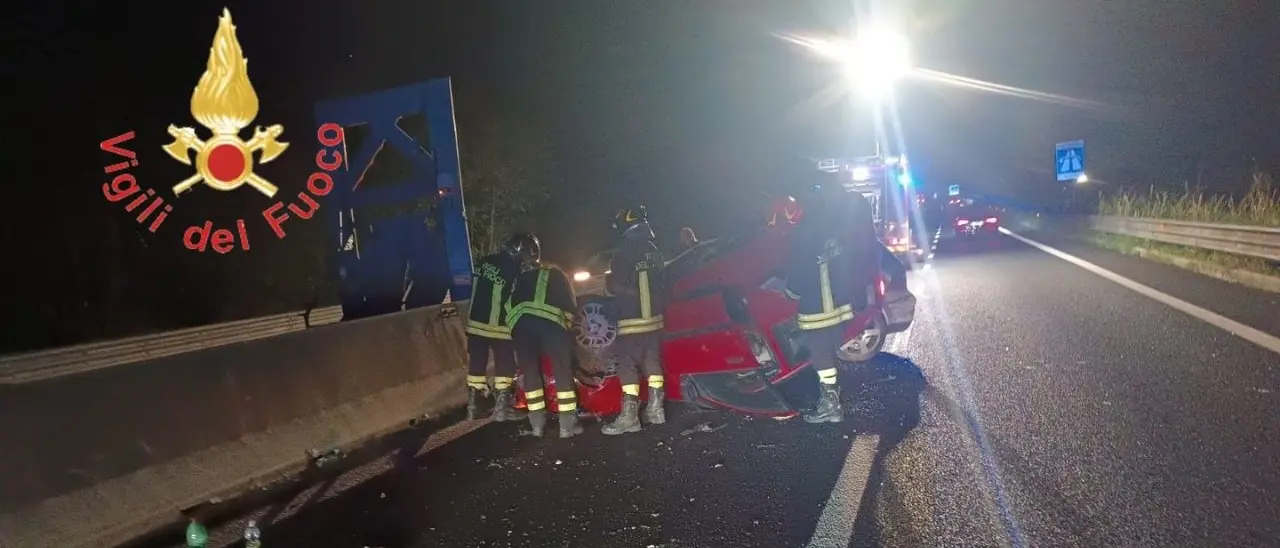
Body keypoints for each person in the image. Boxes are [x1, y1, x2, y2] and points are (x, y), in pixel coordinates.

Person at [780, 173, 878, 423]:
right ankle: (831, 399)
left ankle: (830, 406)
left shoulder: (805, 229)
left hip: (816, 302)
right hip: (837, 298)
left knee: (819, 351)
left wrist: (791, 291)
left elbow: (800, 268)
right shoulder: (832, 224)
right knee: (827, 349)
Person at [505, 233, 583, 438]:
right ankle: (567, 426)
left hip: (522, 330)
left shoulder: (516, 281)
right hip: (552, 327)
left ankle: (537, 426)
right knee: (562, 370)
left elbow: (506, 307)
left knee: (530, 374)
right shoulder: (555, 273)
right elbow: (571, 305)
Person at [600, 206, 668, 435]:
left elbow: (617, 287)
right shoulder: (654, 251)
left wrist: (609, 284)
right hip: (656, 320)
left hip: (632, 319)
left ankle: (629, 418)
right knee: (652, 362)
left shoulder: (622, 255)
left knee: (627, 364)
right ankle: (656, 411)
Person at [463, 233, 529, 421]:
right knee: (505, 367)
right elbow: (513, 300)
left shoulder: (484, 262)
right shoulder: (514, 270)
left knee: (476, 366)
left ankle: (474, 406)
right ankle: (503, 408)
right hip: (499, 327)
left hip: (475, 324)